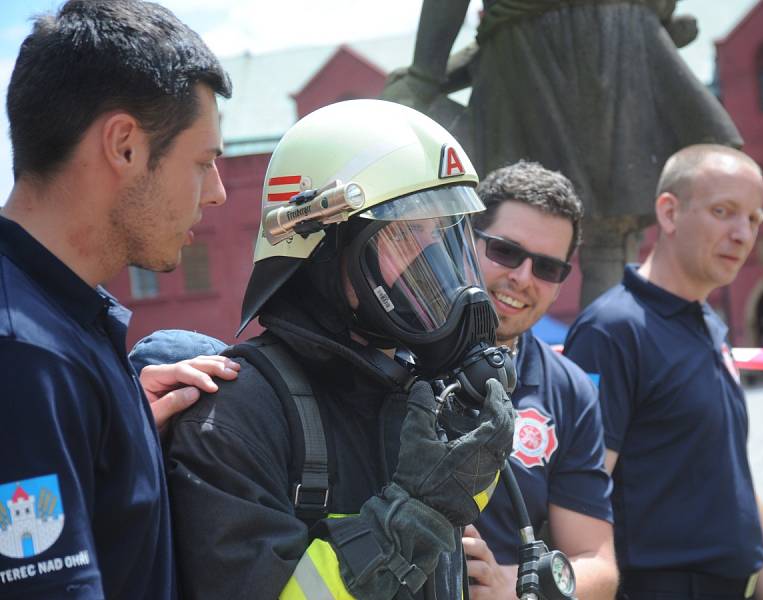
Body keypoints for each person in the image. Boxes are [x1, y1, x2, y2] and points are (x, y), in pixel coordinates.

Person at [159, 99, 515, 599]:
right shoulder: (234, 418)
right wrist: (414, 515)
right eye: (409, 232)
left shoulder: (427, 398)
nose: (434, 260)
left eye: (443, 234)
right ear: (323, 246)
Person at [0, 1, 234, 597]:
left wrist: (116, 442)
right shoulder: (28, 356)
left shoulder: (58, 323)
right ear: (125, 146)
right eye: (203, 163)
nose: (218, 194)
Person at [382, 0, 743, 307]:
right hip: (614, 34)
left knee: (506, 224)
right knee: (601, 235)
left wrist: (425, 76)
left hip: (543, 41)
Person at [564, 145, 763, 599]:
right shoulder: (611, 331)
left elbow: (734, 472)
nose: (742, 234)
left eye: (752, 219)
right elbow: (578, 494)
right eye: (723, 211)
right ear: (668, 213)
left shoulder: (710, 324)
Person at [461, 160, 616, 600]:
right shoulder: (386, 340)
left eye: (547, 268)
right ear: (465, 239)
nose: (522, 277)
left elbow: (598, 565)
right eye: (506, 251)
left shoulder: (569, 390)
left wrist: (511, 588)